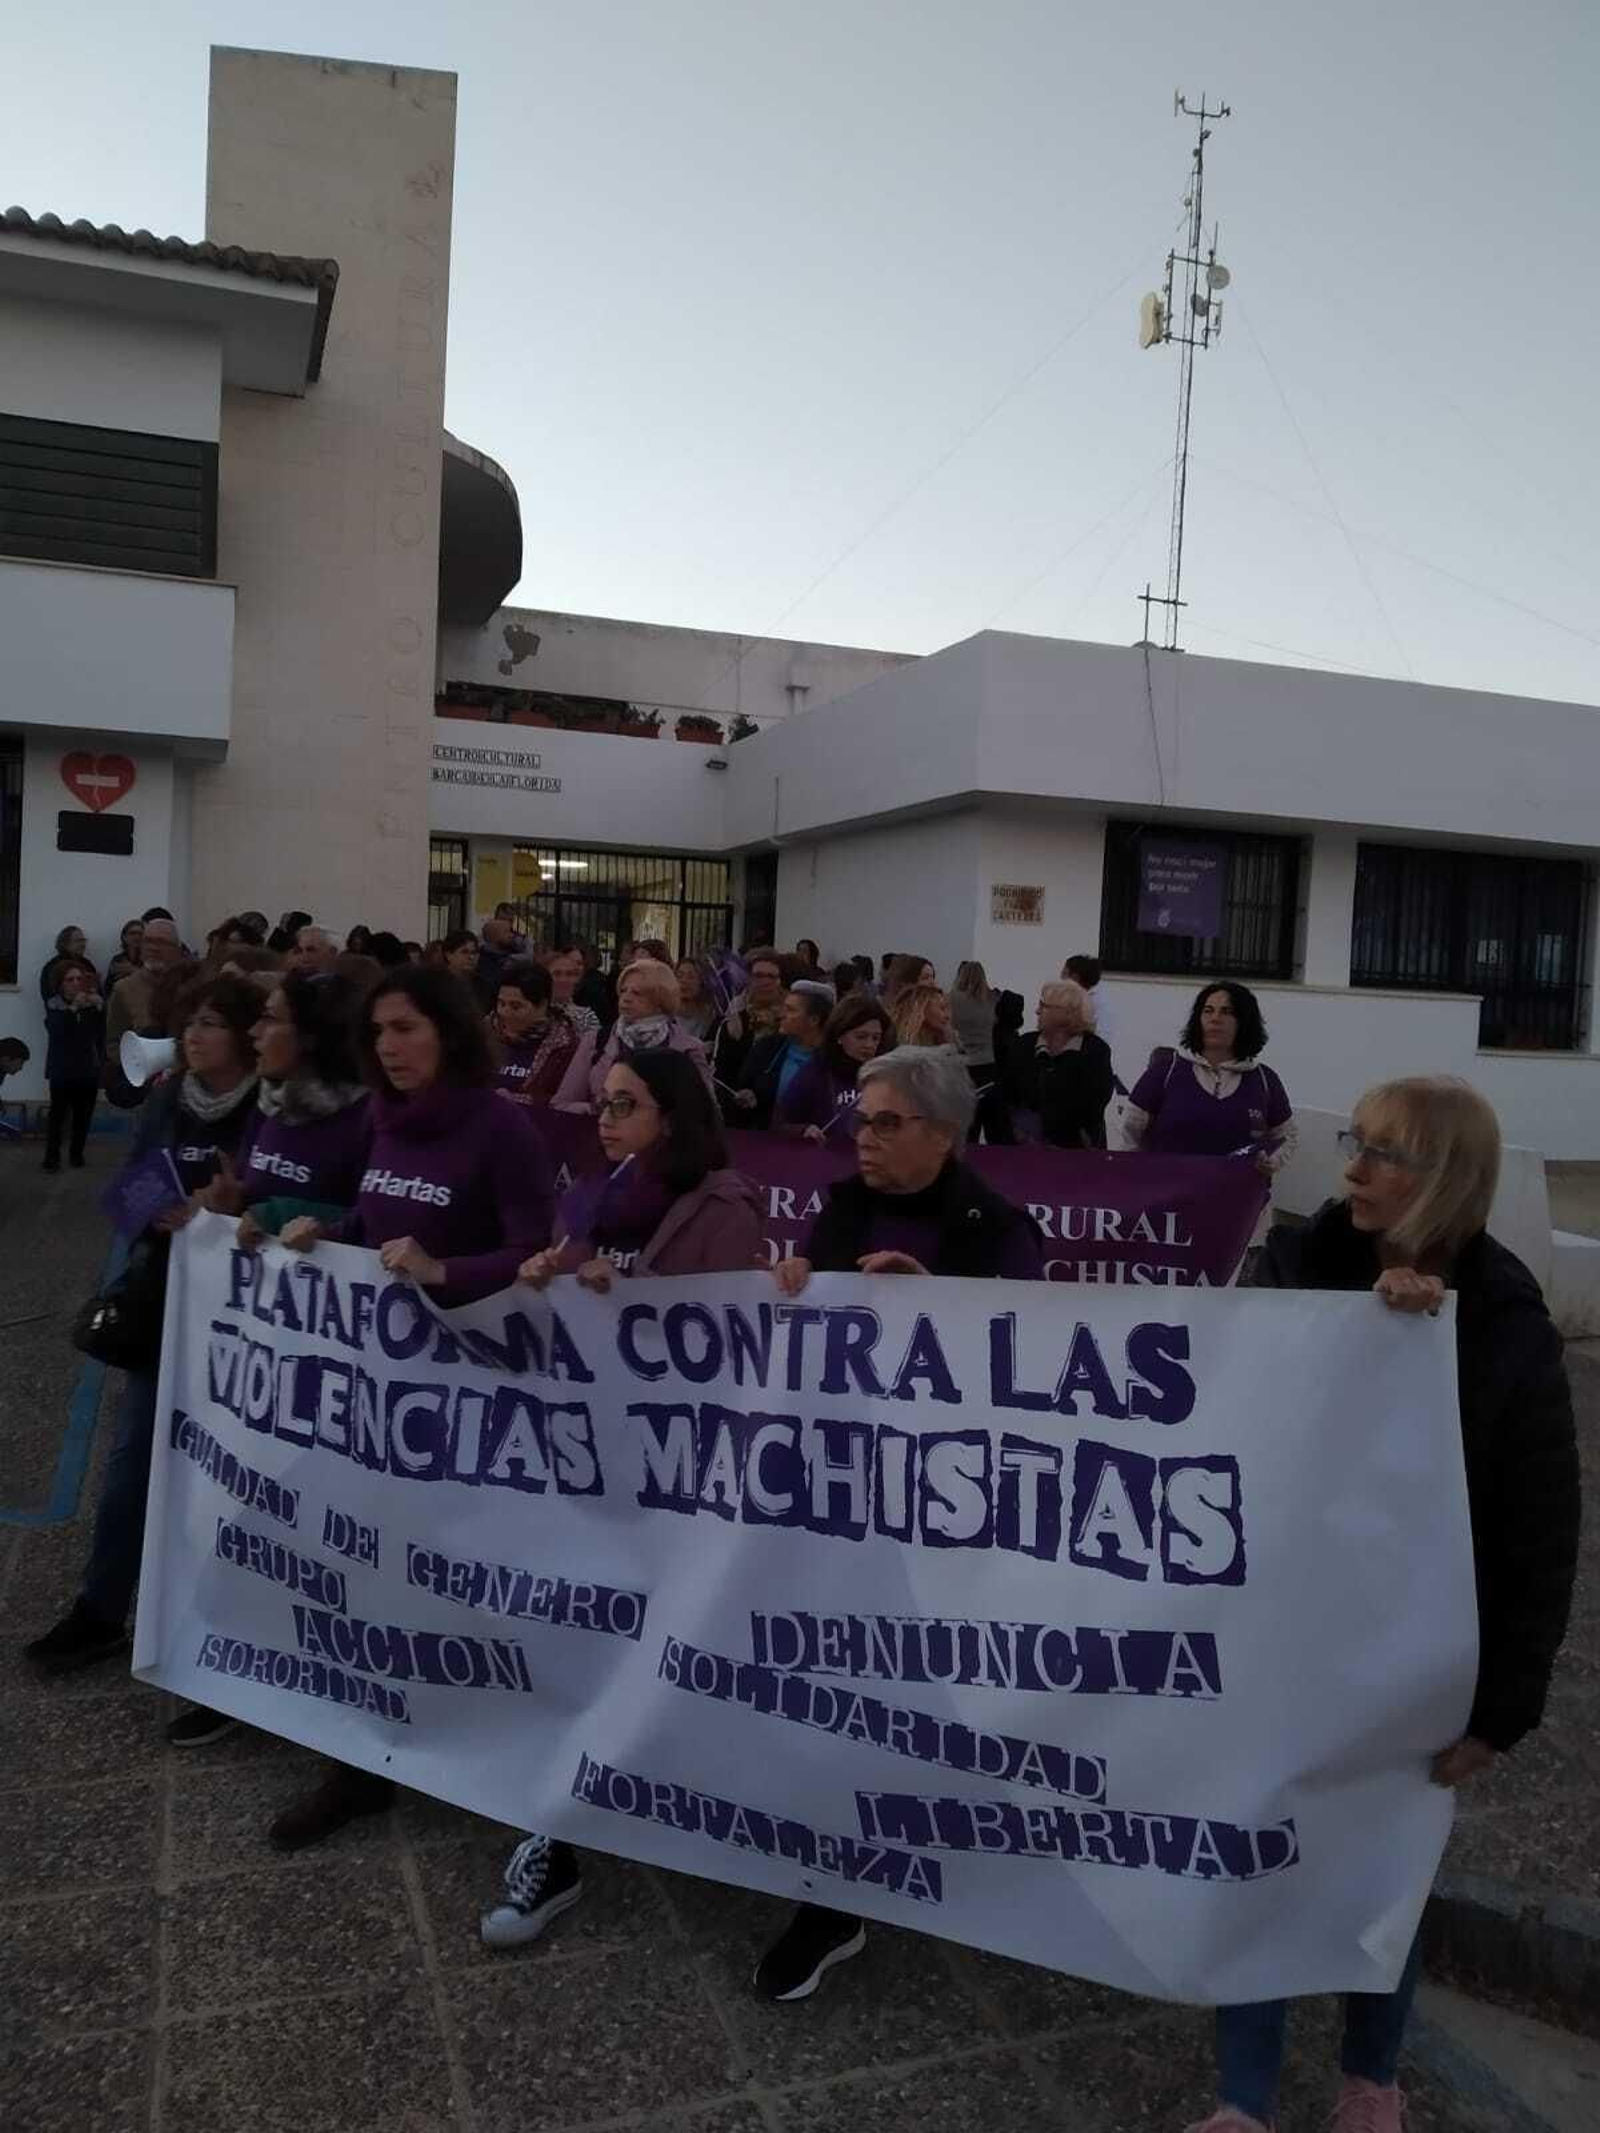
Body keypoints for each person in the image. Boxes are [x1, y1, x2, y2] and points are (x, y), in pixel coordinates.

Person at [1185, 1077, 1581, 2133]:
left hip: (1415, 1661)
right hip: (1282, 1640)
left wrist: (1503, 1708)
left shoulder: (1501, 1321)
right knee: (1255, 1859)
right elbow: (1228, 1395)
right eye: (1353, 1144)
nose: (1351, 1170)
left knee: (1382, 1875)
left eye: (1383, 1154)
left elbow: (1537, 1530)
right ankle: (1243, 2100)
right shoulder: (1297, 1263)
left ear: (1445, 1180)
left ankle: (1371, 2078)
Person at [759, 1046, 1044, 2001]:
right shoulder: (841, 1204)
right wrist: (800, 1282)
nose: (864, 1139)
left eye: (887, 1123)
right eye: (861, 1120)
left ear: (945, 1134)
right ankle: (831, 1892)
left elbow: (1030, 1369)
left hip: (939, 1514)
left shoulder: (1000, 1228)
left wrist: (942, 1310)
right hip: (836, 1497)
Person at [481, 1049, 764, 1947]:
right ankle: (557, 1834)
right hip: (593, 1458)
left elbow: (721, 1335)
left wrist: (633, 1298)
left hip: (679, 1469)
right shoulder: (597, 1194)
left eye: (626, 1105)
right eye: (602, 1104)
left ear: (671, 1117)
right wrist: (548, 1276)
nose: (605, 1119)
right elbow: (565, 1269)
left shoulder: (724, 1206)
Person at [272, 966, 555, 1847]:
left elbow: (532, 1252)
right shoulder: (382, 1120)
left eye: (407, 1029)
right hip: (383, 1398)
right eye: (380, 1033)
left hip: (476, 1397)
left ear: (449, 1031)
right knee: (368, 1570)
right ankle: (360, 1763)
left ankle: (507, 1749)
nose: (391, 1048)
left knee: (466, 1585)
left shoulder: (501, 1127)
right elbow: (375, 1222)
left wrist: (445, 1272)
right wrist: (325, 1233)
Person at [157, 972, 374, 1750]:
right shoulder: (271, 1111)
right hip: (256, 1361)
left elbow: (369, 1220)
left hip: (329, 1361)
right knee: (248, 1514)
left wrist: (299, 1219)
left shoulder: (362, 1118)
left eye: (269, 1020)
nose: (253, 1034)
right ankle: (239, 1675)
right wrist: (230, 1204)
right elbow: (251, 1190)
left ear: (309, 1035)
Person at [26, 975, 262, 1684]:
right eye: (191, 1022)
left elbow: (272, 1197)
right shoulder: (168, 1099)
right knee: (131, 1462)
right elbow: (128, 1183)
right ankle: (101, 1609)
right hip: (163, 1302)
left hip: (239, 1322)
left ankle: (216, 1622)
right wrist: (156, 1210)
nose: (194, 1035)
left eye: (212, 1024)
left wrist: (221, 1212)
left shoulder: (267, 1107)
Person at [1125, 980, 1295, 1174]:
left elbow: (1287, 1136)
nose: (1215, 1019)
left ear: (1244, 1022)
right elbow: (1129, 1131)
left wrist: (1272, 1160)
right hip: (1169, 1198)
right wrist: (1135, 1178)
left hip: (1239, 1199)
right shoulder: (1166, 1071)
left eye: (1226, 1012)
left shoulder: (1264, 1079)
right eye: (1208, 1010)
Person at [555, 959, 714, 1110]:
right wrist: (597, 1109)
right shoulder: (595, 1041)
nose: (626, 999)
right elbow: (562, 1104)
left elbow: (707, 1112)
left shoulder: (689, 1049)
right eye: (623, 991)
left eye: (637, 993)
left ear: (661, 1001)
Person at [999, 979, 1115, 1149]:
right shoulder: (1023, 1045)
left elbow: (1093, 1105)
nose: (1037, 1011)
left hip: (1077, 1153)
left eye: (1043, 1006)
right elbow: (1007, 1096)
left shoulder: (1095, 1051)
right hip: (1024, 1151)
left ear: (1065, 1013)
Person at [773, 993, 892, 1142]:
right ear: (840, 1036)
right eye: (861, 1037)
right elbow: (779, 1124)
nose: (869, 1045)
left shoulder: (883, 1074)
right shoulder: (817, 1070)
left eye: (876, 1038)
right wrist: (803, 1130)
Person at [730, 981, 833, 1128]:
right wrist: (748, 1095)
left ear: (814, 1020)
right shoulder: (766, 1048)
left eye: (790, 1010)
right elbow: (743, 1087)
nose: (781, 1015)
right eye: (784, 1008)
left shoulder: (832, 1059)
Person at [491, 959, 580, 1108]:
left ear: (542, 1005)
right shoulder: (485, 1034)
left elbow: (560, 1101)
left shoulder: (564, 1047)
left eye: (516, 1006)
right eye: (501, 1003)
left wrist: (513, 1100)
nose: (505, 1012)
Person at [42, 962, 105, 1170]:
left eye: (79, 979)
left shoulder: (91, 1004)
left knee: (83, 1115)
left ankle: (76, 1154)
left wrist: (100, 1005)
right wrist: (74, 1007)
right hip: (62, 1069)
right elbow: (58, 1031)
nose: (76, 983)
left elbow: (102, 1031)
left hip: (87, 1068)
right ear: (60, 984)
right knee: (58, 1117)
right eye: (70, 980)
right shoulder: (54, 1004)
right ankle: (52, 1158)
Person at [105, 917, 187, 1065]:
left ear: (177, 950)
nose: (153, 948)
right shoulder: (124, 989)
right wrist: (135, 1068)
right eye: (148, 941)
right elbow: (113, 1043)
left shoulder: (191, 985)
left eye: (162, 942)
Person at [949, 961, 997, 1083]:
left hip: (960, 1061)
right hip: (987, 1061)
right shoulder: (992, 999)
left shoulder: (952, 998)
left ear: (962, 975)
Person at [1063, 953, 1115, 1062]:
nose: (1061, 978)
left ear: (1075, 977)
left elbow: (1101, 1039)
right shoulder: (1075, 998)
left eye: (1064, 974)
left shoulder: (1096, 1003)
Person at [544, 942, 601, 1039]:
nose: (563, 979)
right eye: (557, 974)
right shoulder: (532, 1012)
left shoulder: (587, 1017)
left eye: (569, 974)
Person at [890, 982, 956, 1050]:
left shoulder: (946, 1042)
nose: (948, 1016)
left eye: (948, 1009)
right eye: (942, 1008)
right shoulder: (895, 1044)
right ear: (920, 1008)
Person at [39, 923, 91, 1001]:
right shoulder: (53, 967)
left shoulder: (87, 964)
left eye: (83, 940)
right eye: (78, 941)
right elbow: (51, 998)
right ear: (65, 944)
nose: (83, 944)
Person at [675, 956, 720, 1043]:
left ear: (702, 982)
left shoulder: (710, 1016)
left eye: (690, 977)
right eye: (679, 976)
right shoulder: (667, 1013)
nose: (683, 981)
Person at [105, 918, 145, 991]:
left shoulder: (149, 959)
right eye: (133, 933)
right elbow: (108, 987)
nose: (137, 937)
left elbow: (155, 983)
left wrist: (134, 971)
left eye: (140, 934)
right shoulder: (117, 960)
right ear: (124, 937)